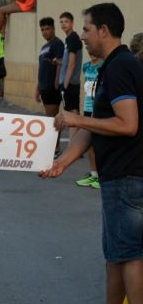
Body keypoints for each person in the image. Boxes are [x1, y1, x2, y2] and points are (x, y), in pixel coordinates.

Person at [40, 3, 143, 304]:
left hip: (129, 178)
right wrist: (62, 162)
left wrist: (73, 120)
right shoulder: (111, 67)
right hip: (117, 178)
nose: (81, 35)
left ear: (103, 30)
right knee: (116, 256)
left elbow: (127, 124)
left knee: (130, 257)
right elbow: (96, 126)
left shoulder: (121, 68)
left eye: (85, 28)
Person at [35, 17, 64, 156]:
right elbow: (41, 68)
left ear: (53, 29)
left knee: (52, 119)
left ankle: (56, 148)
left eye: (47, 29)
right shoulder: (44, 47)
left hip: (52, 87)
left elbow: (60, 62)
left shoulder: (57, 43)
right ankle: (53, 147)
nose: (45, 32)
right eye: (42, 30)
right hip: (44, 87)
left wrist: (57, 81)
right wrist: (37, 88)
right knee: (49, 119)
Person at [75, 53, 103, 189]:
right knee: (90, 142)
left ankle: (102, 175)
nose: (92, 54)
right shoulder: (86, 66)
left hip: (99, 109)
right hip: (87, 106)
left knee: (100, 142)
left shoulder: (104, 65)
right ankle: (94, 173)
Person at [58, 11, 84, 143]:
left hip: (71, 82)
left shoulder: (73, 38)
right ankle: (75, 143)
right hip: (70, 81)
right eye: (61, 22)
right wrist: (59, 62)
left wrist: (65, 84)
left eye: (66, 21)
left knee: (72, 113)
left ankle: (74, 144)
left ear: (72, 23)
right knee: (73, 112)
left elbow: (72, 63)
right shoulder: (69, 39)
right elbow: (68, 61)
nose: (63, 24)